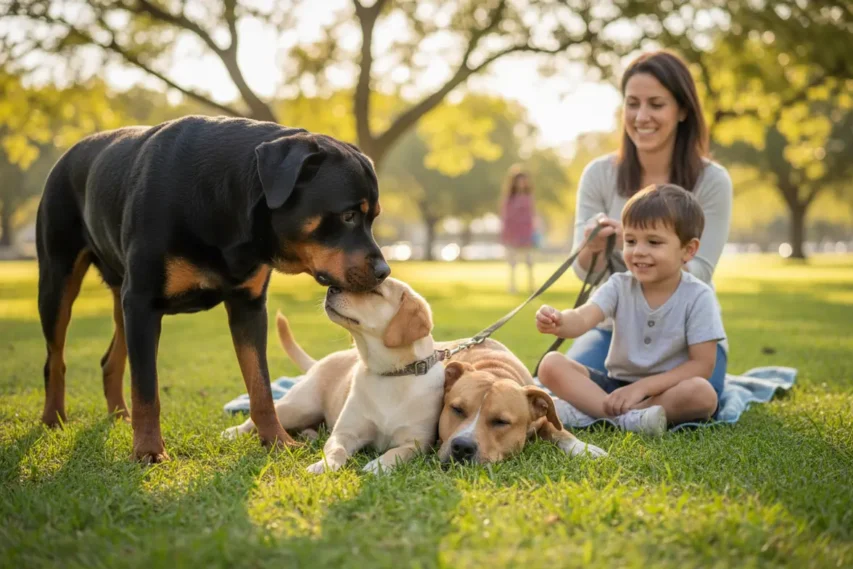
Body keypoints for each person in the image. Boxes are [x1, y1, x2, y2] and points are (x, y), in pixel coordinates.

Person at [566, 49, 733, 388]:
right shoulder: (599, 174)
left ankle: (634, 401)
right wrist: (594, 246)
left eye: (656, 104)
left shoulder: (712, 180)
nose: (641, 116)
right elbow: (584, 273)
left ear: (682, 110)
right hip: (613, 331)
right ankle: (636, 404)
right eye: (632, 104)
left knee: (696, 396)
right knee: (565, 382)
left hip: (686, 334)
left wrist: (632, 239)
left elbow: (700, 270)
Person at [536, 184, 726, 434]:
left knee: (703, 394)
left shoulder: (699, 296)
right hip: (615, 387)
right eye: (630, 241)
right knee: (550, 364)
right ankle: (626, 419)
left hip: (665, 390)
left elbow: (702, 365)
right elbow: (583, 317)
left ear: (688, 250)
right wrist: (560, 320)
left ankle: (595, 414)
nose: (638, 251)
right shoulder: (619, 285)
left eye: (654, 242)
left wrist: (642, 388)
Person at [499, 165, 537, 294]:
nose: (521, 183)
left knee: (529, 261)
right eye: (519, 181)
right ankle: (512, 287)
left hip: (527, 234)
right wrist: (506, 234)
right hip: (513, 233)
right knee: (512, 263)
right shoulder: (509, 198)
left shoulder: (529, 197)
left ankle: (531, 286)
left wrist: (533, 232)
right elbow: (506, 217)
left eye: (523, 181)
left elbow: (532, 216)